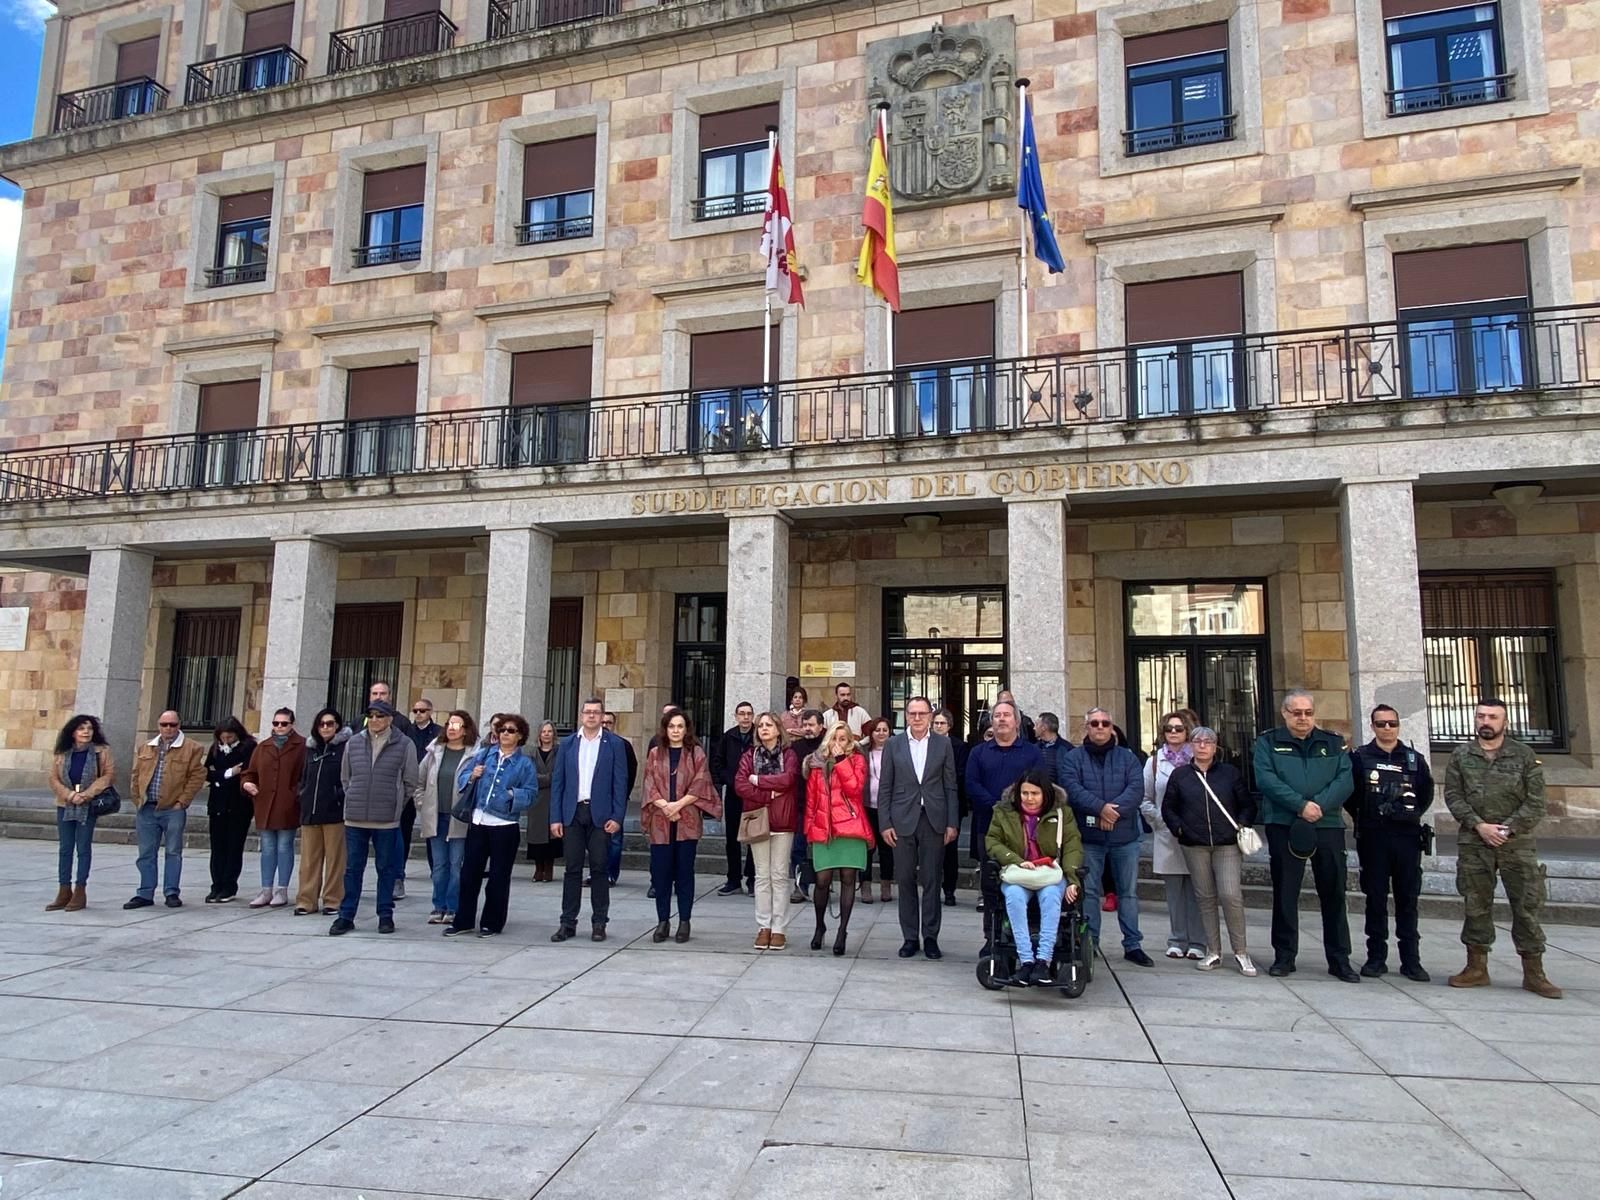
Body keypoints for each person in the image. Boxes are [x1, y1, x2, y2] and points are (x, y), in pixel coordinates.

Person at [1444, 698, 1562, 999]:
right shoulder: (1461, 755)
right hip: (1475, 842)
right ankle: (1476, 967)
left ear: (1504, 722)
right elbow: (1453, 796)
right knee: (1475, 904)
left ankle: (1534, 973)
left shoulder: (1524, 755)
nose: (1486, 721)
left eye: (1493, 717)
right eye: (1481, 716)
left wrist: (1507, 829)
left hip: (1516, 844)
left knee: (1526, 906)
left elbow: (1536, 802)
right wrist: (1479, 825)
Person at [1252, 690, 1357, 981]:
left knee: (1334, 892)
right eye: (1296, 713)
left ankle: (1339, 959)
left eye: (1308, 713)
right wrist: (1300, 805)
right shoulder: (1268, 742)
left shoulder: (1333, 742)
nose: (1302, 718)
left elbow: (1345, 780)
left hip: (1327, 824)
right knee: (1286, 892)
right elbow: (1266, 779)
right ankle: (1284, 956)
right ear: (1284, 713)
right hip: (1284, 823)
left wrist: (1318, 806)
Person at [1059, 707, 1151, 966]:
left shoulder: (1128, 758)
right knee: (1088, 893)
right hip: (1089, 837)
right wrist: (1100, 809)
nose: (1100, 727)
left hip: (1125, 838)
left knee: (1128, 893)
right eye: (1095, 723)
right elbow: (1072, 789)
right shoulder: (1073, 758)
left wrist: (1112, 813)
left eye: (1105, 723)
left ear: (1112, 728)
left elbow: (1136, 789)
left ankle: (1132, 945)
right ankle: (1091, 943)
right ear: (1086, 727)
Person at [1163, 727, 1258, 975]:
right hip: (1194, 845)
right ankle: (1213, 951)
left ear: (1216, 747)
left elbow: (1247, 804)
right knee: (1205, 897)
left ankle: (1241, 952)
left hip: (1227, 844)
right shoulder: (1181, 775)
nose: (1203, 746)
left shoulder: (1229, 773)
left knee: (1230, 895)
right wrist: (1180, 829)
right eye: (1198, 741)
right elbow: (1169, 808)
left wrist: (1242, 825)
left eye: (1208, 742)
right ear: (1191, 746)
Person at [1351, 705, 1434, 981]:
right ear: (1372, 726)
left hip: (1407, 838)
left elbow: (1425, 793)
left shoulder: (1413, 759)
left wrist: (1404, 814)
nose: (1387, 728)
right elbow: (1352, 796)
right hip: (1374, 837)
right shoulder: (1360, 758)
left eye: (1392, 723)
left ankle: (1411, 961)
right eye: (1381, 723)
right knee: (1375, 899)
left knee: (1407, 899)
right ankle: (1376, 958)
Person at [330, 700, 420, 936]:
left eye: (380, 716)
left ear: (390, 718)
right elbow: (346, 778)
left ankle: (385, 915)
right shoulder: (354, 742)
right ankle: (346, 916)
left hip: (386, 819)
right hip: (355, 818)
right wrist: (353, 796)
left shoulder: (404, 744)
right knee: (352, 869)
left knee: (386, 868)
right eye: (371, 716)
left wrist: (395, 804)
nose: (375, 720)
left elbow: (410, 781)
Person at [879, 696, 960, 960]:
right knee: (904, 880)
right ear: (906, 716)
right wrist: (885, 823)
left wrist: (952, 822)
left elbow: (950, 785)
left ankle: (931, 937)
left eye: (921, 713)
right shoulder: (894, 744)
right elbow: (885, 787)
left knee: (932, 879)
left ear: (930, 716)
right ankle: (910, 937)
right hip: (902, 820)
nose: (916, 718)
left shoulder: (943, 744)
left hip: (933, 819)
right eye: (912, 713)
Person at [986, 769, 1083, 986]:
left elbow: (1073, 847)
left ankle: (1043, 961)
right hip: (1019, 872)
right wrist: (1015, 860)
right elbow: (992, 841)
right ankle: (1026, 961)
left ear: (1045, 793)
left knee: (1051, 896)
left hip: (1050, 873)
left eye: (1035, 793)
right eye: (1025, 793)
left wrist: (1073, 880)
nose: (1029, 798)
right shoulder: (1003, 812)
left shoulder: (1062, 813)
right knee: (1013, 896)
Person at [448, 714, 538, 938]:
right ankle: (463, 920)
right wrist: (472, 776)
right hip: (479, 821)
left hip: (504, 825)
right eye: (502, 730)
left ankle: (492, 923)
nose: (505, 734)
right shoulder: (484, 754)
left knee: (498, 877)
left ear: (520, 736)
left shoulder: (524, 764)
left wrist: (512, 795)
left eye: (511, 730)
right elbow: (462, 777)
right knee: (469, 874)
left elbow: (531, 793)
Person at [550, 697, 629, 943]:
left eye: (596, 712)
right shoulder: (568, 744)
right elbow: (558, 783)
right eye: (588, 712)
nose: (592, 716)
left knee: (599, 869)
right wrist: (555, 818)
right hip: (572, 813)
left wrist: (617, 816)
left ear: (602, 716)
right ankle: (567, 922)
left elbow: (620, 783)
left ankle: (599, 922)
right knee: (572, 869)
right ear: (581, 715)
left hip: (601, 815)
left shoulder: (614, 744)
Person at [642, 707, 719, 943]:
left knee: (685, 873)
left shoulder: (696, 753)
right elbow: (649, 783)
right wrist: (665, 806)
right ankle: (663, 921)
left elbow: (701, 783)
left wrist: (677, 806)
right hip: (661, 821)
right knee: (661, 874)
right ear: (665, 729)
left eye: (680, 726)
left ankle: (684, 921)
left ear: (686, 730)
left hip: (686, 820)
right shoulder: (655, 753)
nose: (676, 730)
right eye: (671, 726)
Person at [964, 700, 1042, 911]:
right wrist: (997, 807)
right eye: (997, 716)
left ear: (1017, 721)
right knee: (990, 884)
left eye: (1006, 715)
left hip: (1024, 826)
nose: (1002, 719)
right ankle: (991, 928)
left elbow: (1039, 785)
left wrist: (1016, 807)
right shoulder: (978, 753)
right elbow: (971, 784)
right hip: (988, 826)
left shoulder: (1032, 753)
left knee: (1022, 883)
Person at [125, 710, 207, 910]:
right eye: (164, 725)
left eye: (172, 725)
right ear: (158, 726)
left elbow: (197, 777)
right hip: (147, 808)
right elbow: (136, 774)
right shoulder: (146, 747)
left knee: (173, 852)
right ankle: (145, 893)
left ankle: (171, 892)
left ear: (179, 725)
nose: (168, 728)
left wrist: (182, 802)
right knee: (146, 853)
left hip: (173, 809)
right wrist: (137, 798)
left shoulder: (192, 748)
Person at [805, 721, 874, 956]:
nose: (838, 743)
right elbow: (811, 800)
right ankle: (819, 926)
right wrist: (808, 830)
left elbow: (855, 789)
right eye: (834, 738)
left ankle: (842, 931)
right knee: (822, 880)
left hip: (850, 828)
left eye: (843, 739)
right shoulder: (816, 763)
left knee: (848, 878)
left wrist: (842, 761)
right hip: (823, 828)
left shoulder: (857, 760)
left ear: (850, 742)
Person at [735, 712, 801, 950]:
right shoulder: (749, 756)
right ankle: (764, 926)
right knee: (762, 876)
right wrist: (768, 794)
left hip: (783, 820)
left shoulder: (789, 755)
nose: (764, 728)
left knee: (780, 875)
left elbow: (788, 779)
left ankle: (779, 928)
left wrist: (758, 780)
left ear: (778, 729)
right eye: (760, 725)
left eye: (769, 725)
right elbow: (740, 784)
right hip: (757, 819)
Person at [1142, 711, 1205, 960]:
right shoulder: (1154, 762)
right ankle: (1177, 939)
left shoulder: (1198, 759)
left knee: (1198, 890)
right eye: (1169, 729)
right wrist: (1160, 821)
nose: (1174, 733)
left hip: (1196, 833)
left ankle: (1198, 941)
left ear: (1187, 731)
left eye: (1179, 728)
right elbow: (1145, 798)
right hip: (1167, 834)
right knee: (1174, 891)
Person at [47, 714, 114, 911]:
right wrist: (69, 795)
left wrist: (86, 794)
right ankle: (64, 890)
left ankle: (80, 890)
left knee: (83, 848)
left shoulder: (101, 752)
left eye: (89, 728)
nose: (86, 732)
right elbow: (53, 778)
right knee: (65, 848)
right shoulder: (62, 752)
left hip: (88, 804)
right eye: (81, 728)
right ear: (73, 732)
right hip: (65, 804)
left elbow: (108, 776)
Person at [240, 708, 305, 909]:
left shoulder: (302, 746)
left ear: (292, 724)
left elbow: (305, 776)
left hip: (287, 805)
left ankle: (282, 889)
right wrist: (247, 783)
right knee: (267, 848)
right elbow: (250, 772)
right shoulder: (263, 747)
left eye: (284, 723)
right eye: (276, 723)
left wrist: (295, 794)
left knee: (284, 846)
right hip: (264, 804)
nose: (279, 727)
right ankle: (266, 889)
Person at [418, 710, 476, 923]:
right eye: (449, 724)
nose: (452, 728)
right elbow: (419, 782)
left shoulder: (473, 755)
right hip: (436, 816)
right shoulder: (434, 751)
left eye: (457, 725)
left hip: (458, 819)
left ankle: (453, 907)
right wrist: (422, 803)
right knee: (439, 866)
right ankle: (438, 906)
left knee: (456, 865)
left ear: (465, 730)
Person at [295, 709, 349, 916]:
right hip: (310, 811)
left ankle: (333, 900)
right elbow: (303, 777)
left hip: (335, 812)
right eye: (321, 724)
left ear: (337, 726)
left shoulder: (345, 748)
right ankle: (306, 900)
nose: (325, 728)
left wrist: (339, 796)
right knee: (309, 861)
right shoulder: (311, 749)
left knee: (335, 861)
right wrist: (302, 795)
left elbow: (349, 778)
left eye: (330, 724)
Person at [202, 717, 256, 904]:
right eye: (223, 737)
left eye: (230, 737)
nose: (226, 741)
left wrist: (223, 776)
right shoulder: (215, 748)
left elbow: (245, 772)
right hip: (217, 804)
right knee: (217, 847)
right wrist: (227, 773)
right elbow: (207, 772)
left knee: (233, 847)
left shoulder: (248, 748)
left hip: (239, 804)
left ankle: (229, 886)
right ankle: (216, 885)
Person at [714, 700, 757, 896]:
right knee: (732, 838)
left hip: (754, 795)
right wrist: (729, 780)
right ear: (736, 716)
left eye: (749, 713)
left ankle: (752, 879)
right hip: (733, 794)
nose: (745, 717)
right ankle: (733, 879)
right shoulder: (728, 737)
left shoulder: (758, 736)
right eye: (742, 713)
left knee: (754, 837)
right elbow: (718, 763)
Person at [934, 709, 970, 907]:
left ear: (949, 726)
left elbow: (961, 774)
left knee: (950, 850)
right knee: (931, 851)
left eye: (942, 723)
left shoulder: (959, 747)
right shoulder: (926, 744)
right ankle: (931, 889)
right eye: (936, 723)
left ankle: (949, 890)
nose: (938, 726)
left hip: (952, 803)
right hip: (929, 804)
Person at [789, 708, 825, 903]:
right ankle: (800, 886)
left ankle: (822, 886)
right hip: (802, 805)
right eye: (804, 725)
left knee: (823, 849)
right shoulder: (796, 747)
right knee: (798, 848)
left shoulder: (828, 745)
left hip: (824, 805)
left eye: (811, 725)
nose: (807, 728)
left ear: (821, 726)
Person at [858, 717, 894, 906]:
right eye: (877, 730)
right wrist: (864, 741)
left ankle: (886, 885)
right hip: (866, 805)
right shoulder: (864, 751)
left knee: (887, 848)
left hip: (888, 807)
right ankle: (865, 886)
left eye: (884, 730)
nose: (881, 733)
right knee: (867, 849)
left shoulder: (895, 750)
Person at [601, 710, 637, 888]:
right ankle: (597, 873)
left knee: (615, 839)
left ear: (614, 725)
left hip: (616, 800)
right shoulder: (590, 745)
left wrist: (623, 795)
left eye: (608, 723)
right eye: (603, 722)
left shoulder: (623, 745)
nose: (605, 726)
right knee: (596, 840)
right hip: (595, 801)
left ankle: (610, 874)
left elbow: (631, 771)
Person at [526, 720, 560, 882]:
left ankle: (548, 868)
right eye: (543, 731)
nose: (546, 734)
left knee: (551, 836)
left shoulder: (560, 752)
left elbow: (560, 775)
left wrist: (547, 779)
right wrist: (550, 778)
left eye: (549, 731)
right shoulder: (531, 753)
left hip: (554, 798)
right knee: (536, 836)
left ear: (554, 734)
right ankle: (538, 869)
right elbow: (530, 776)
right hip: (536, 799)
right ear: (539, 734)